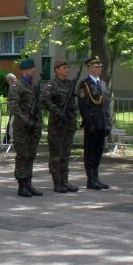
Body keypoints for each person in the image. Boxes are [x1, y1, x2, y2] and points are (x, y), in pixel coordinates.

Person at [41, 59, 80, 193]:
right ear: (56, 70)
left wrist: (74, 117)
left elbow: (74, 102)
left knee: (66, 154)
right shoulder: (51, 84)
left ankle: (65, 181)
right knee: (56, 155)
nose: (66, 70)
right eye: (63, 67)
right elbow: (45, 100)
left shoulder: (70, 84)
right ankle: (57, 182)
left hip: (69, 123)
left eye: (67, 67)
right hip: (57, 124)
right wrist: (58, 112)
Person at [7, 58, 43, 198]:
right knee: (23, 155)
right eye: (31, 68)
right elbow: (14, 107)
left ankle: (29, 182)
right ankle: (22, 185)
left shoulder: (33, 86)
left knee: (31, 155)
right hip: (22, 127)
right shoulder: (17, 86)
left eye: (34, 68)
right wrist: (26, 120)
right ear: (24, 70)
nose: (34, 70)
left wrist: (37, 123)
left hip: (34, 126)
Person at [78, 56, 111, 190]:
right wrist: (89, 123)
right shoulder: (84, 84)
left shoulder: (102, 83)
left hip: (102, 122)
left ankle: (96, 178)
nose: (99, 69)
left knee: (98, 151)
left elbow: (106, 105)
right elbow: (83, 106)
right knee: (90, 152)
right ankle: (90, 180)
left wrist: (108, 122)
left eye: (100, 67)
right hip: (92, 123)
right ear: (89, 68)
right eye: (96, 67)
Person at [4, 73, 17, 145]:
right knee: (10, 125)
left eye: (8, 81)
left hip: (15, 110)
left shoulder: (14, 86)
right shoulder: (13, 86)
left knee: (11, 125)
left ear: (10, 79)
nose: (7, 82)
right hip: (14, 110)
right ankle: (6, 140)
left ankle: (6, 140)